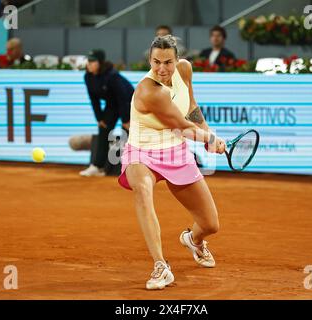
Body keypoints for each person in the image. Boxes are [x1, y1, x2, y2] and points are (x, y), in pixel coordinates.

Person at [118, 35, 226, 290]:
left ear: (177, 60)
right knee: (142, 190)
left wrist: (208, 132)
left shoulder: (184, 70)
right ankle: (160, 266)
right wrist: (209, 139)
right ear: (150, 60)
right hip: (141, 151)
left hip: (175, 152)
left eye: (168, 62)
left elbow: (191, 108)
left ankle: (194, 240)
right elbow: (180, 125)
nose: (162, 69)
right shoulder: (148, 90)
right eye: (156, 62)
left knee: (211, 224)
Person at [81, 49, 134, 177]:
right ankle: (98, 167)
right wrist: (99, 118)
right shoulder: (88, 77)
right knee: (104, 129)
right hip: (112, 104)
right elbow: (94, 99)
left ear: (100, 62)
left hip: (130, 102)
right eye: (88, 61)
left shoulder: (112, 76)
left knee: (129, 132)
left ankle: (131, 168)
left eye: (93, 61)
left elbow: (122, 98)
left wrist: (126, 120)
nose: (89, 64)